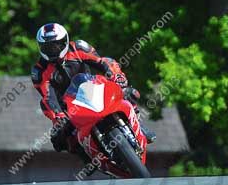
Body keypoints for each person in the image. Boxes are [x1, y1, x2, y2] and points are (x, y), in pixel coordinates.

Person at [30, 22, 156, 155]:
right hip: (68, 107)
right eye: (48, 47)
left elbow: (103, 61)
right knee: (58, 139)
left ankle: (138, 126)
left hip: (91, 89)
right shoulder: (39, 71)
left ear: (65, 41)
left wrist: (117, 76)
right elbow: (48, 96)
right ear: (41, 48)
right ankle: (85, 155)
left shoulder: (78, 47)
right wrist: (58, 115)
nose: (53, 50)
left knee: (127, 92)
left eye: (56, 45)